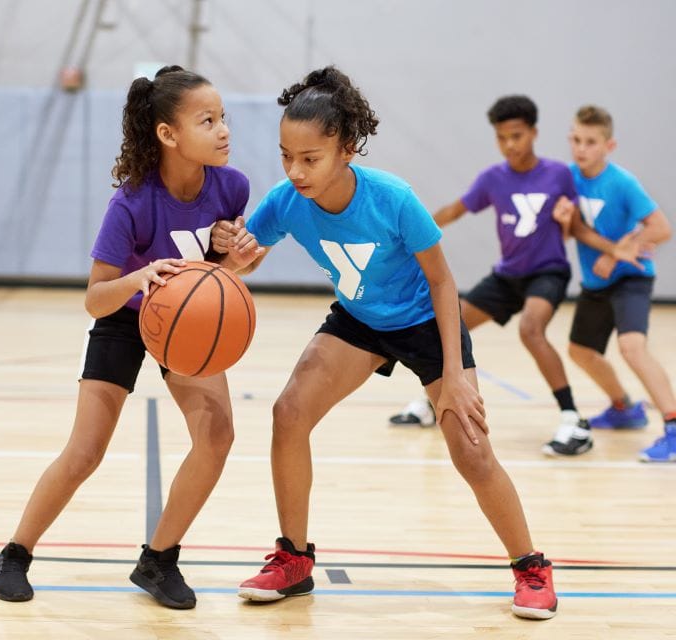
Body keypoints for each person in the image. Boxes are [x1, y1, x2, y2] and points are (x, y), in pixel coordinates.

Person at [213, 67, 558, 620]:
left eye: (310, 158)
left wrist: (453, 378)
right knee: (289, 413)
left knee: (470, 449)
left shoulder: (393, 199)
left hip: (425, 321)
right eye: (286, 156)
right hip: (359, 319)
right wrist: (232, 248)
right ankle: (294, 560)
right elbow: (243, 262)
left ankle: (531, 567)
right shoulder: (284, 201)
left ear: (347, 149)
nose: (295, 170)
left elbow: (445, 283)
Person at [0, 65, 258, 609]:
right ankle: (16, 552)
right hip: (124, 315)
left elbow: (221, 274)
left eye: (223, 118)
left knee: (217, 436)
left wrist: (238, 257)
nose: (224, 130)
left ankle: (158, 561)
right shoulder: (132, 201)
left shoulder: (232, 186)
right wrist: (136, 278)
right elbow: (94, 297)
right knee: (85, 452)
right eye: (208, 120)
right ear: (168, 134)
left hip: (187, 321)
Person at [389, 95, 597, 456]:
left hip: (547, 272)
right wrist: (406, 234)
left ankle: (572, 419)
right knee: (445, 323)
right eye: (502, 138)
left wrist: (570, 220)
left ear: (533, 133)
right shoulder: (492, 179)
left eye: (516, 136)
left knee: (531, 329)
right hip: (507, 276)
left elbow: (576, 227)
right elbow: (454, 210)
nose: (509, 145)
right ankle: (432, 403)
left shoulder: (558, 174)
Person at [554, 105, 676, 462]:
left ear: (609, 146)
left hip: (630, 279)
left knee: (631, 347)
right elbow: (568, 233)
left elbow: (661, 228)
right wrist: (563, 223)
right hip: (596, 282)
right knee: (580, 351)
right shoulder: (567, 178)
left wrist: (620, 251)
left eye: (591, 142)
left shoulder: (622, 182)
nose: (581, 148)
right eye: (576, 140)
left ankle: (672, 425)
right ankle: (624, 408)